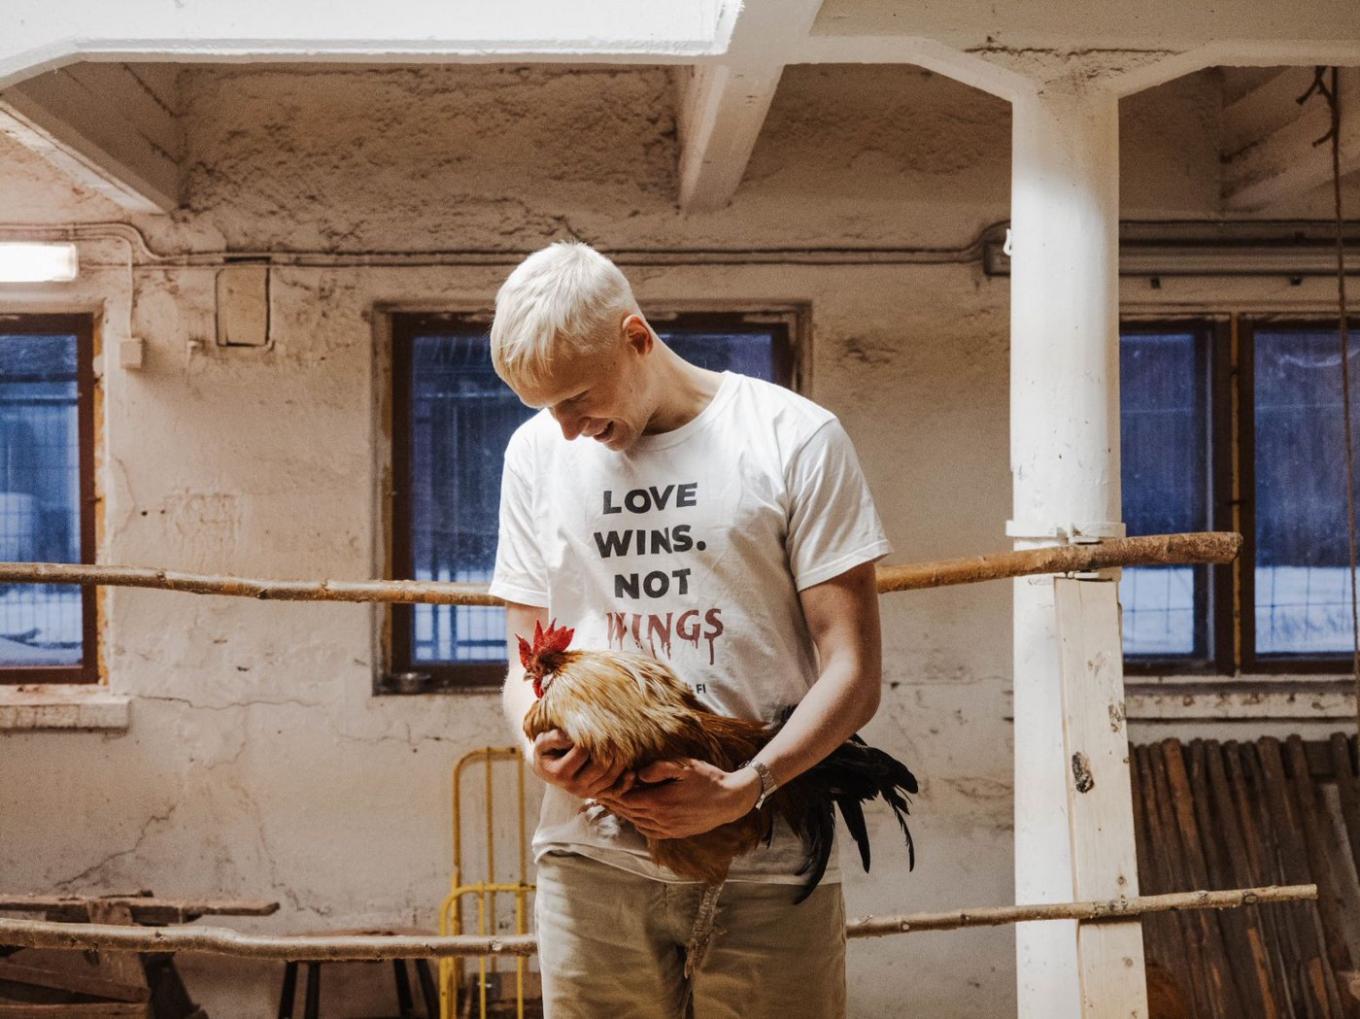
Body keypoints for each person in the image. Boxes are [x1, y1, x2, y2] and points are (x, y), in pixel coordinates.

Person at [488, 240, 891, 1019]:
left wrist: (745, 788)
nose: (567, 428)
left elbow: (854, 670)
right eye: (546, 408)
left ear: (636, 337)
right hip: (592, 856)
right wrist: (538, 744)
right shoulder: (535, 454)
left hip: (767, 854)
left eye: (577, 397)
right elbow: (521, 660)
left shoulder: (792, 438)